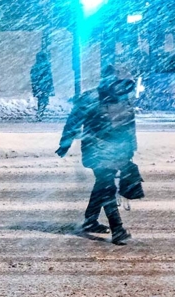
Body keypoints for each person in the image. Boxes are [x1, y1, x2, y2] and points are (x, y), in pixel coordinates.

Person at [56, 65, 137, 245]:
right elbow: (73, 121)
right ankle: (118, 229)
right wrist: (65, 143)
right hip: (96, 151)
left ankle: (90, 220)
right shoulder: (91, 98)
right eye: (118, 83)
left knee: (102, 185)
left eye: (124, 84)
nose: (122, 88)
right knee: (107, 187)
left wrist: (130, 149)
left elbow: (129, 125)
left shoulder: (123, 98)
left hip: (117, 151)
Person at [30, 51, 54, 121]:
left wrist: (35, 86)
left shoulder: (37, 66)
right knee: (43, 100)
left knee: (41, 100)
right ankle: (40, 114)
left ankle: (40, 113)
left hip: (40, 86)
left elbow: (33, 77)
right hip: (44, 87)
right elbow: (49, 78)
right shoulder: (45, 66)